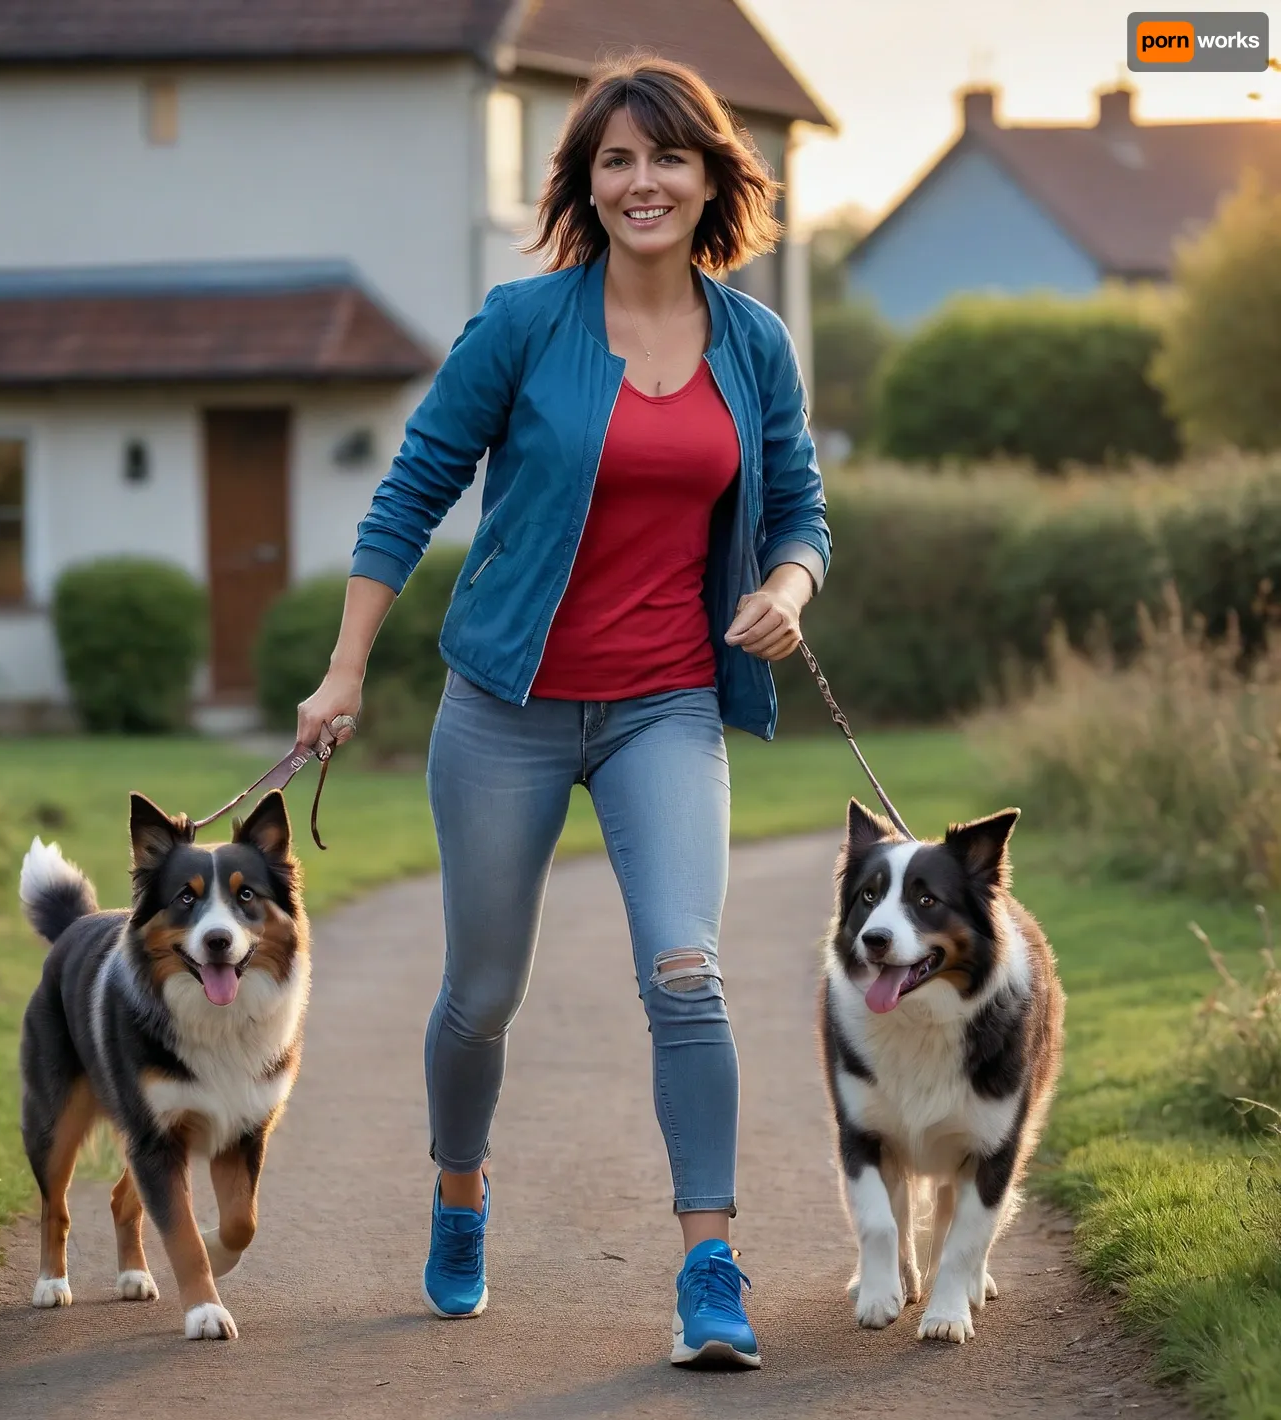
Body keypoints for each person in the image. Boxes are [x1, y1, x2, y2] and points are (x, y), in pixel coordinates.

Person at [295, 55, 830, 1370]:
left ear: (709, 178)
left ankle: (709, 1267)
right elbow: (411, 490)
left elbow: (800, 510)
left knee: (687, 972)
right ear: (586, 185)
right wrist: (346, 670)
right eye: (617, 159)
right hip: (505, 706)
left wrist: (786, 587)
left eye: (668, 157)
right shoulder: (524, 325)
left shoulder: (754, 343)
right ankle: (460, 1189)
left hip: (667, 703)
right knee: (482, 993)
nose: (644, 181)